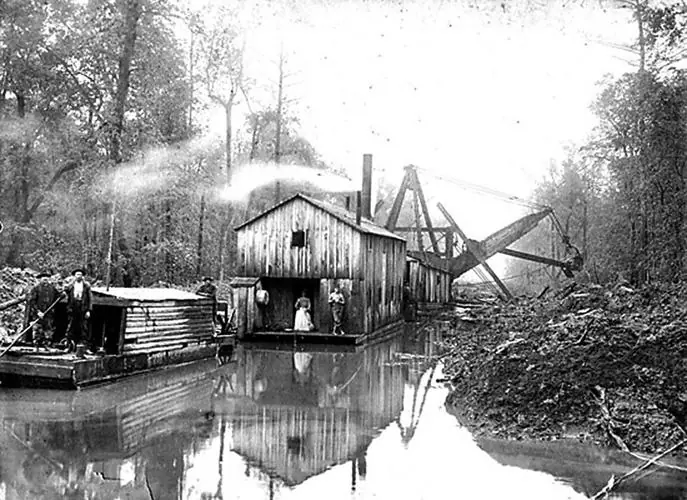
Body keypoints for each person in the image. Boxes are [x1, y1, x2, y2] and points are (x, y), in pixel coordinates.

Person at [28, 271, 60, 348]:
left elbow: (58, 296)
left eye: (47, 277)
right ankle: (36, 345)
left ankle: (47, 345)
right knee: (37, 330)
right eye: (43, 277)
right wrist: (38, 311)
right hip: (38, 314)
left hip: (49, 313)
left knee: (48, 330)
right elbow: (32, 301)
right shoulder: (35, 288)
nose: (45, 279)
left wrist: (62, 294)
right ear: (40, 279)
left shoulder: (52, 288)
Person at [65, 268, 93, 353]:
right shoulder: (71, 285)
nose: (79, 276)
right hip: (73, 308)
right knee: (70, 327)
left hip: (82, 307)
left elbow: (90, 298)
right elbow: (65, 291)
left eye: (80, 275)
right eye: (77, 274)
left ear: (83, 276)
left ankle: (85, 347)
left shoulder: (86, 285)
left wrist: (88, 310)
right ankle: (68, 346)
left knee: (84, 328)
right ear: (74, 276)